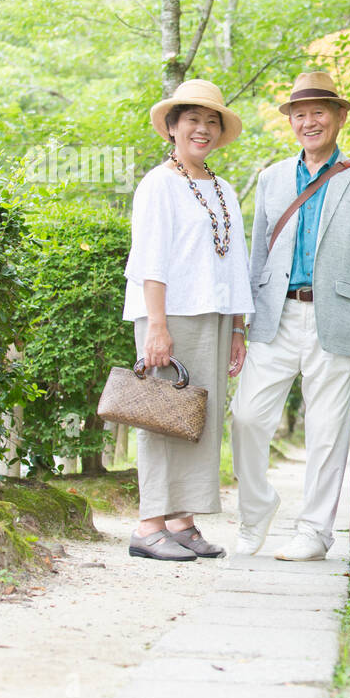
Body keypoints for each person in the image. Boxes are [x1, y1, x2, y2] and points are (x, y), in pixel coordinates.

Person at [230, 71, 350, 560]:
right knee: (246, 418)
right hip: (274, 317)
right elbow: (257, 256)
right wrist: (241, 323)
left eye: (319, 111)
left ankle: (314, 532)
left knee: (326, 431)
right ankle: (257, 511)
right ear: (291, 122)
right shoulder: (272, 178)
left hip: (338, 319)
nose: (309, 121)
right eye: (300, 114)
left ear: (340, 116)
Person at [122, 79, 253, 560]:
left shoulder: (222, 190)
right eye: (193, 120)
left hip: (215, 316)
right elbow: (150, 258)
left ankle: (182, 520)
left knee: (199, 418)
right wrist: (156, 325)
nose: (203, 129)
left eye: (212, 121)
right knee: (160, 417)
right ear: (173, 128)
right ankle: (148, 525)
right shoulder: (159, 184)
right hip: (170, 314)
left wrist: (238, 328)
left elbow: (235, 262)